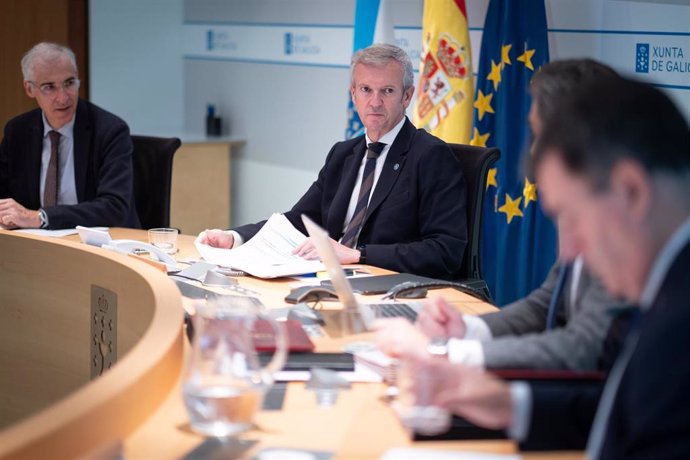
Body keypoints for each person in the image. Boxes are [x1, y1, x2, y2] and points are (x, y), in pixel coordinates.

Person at [406, 76, 690, 458]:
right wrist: (510, 404)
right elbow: (624, 411)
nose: (570, 253)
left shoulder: (678, 323)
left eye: (571, 217)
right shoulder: (666, 290)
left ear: (631, 191)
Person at [375, 59, 629, 371]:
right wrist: (467, 330)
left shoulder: (625, 230)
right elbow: (546, 305)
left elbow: (582, 347)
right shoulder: (591, 215)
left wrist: (443, 353)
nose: (533, 153)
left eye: (541, 136)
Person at [198, 44, 467, 280]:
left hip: (390, 286)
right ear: (353, 95)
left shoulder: (431, 156)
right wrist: (234, 237)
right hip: (333, 279)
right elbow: (298, 221)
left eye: (387, 91)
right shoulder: (343, 154)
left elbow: (445, 250)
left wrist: (357, 255)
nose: (375, 102)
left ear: (406, 96)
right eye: (365, 89)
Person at [0, 42, 139, 230]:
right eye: (49, 87)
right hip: (35, 243)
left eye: (69, 83)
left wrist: (42, 217)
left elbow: (115, 206)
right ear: (29, 89)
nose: (63, 97)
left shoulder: (110, 131)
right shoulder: (18, 131)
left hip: (98, 243)